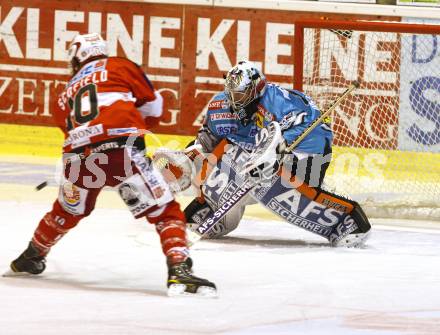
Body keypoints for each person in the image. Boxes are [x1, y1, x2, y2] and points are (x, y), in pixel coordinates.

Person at [6, 33, 216, 297]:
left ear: (78, 56)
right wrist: (136, 126)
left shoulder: (67, 89)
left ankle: (32, 254)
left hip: (77, 157)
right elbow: (154, 107)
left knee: (67, 210)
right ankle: (179, 270)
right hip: (121, 150)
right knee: (165, 211)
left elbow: (66, 127)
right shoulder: (119, 65)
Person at [178, 60, 371, 247]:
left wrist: (280, 150)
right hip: (262, 149)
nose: (233, 100)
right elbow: (210, 139)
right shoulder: (222, 105)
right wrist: (193, 153)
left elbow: (315, 127)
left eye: (240, 95)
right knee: (228, 163)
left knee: (287, 191)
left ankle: (347, 220)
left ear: (256, 89)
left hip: (308, 149)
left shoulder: (279, 102)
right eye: (231, 94)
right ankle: (215, 209)